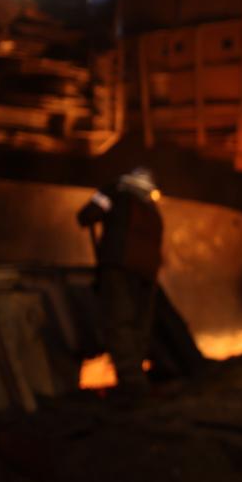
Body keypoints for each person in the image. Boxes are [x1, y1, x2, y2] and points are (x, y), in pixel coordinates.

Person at [77, 167, 163, 399]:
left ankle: (132, 385)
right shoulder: (152, 208)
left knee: (119, 323)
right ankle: (137, 379)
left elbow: (86, 216)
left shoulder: (116, 194)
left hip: (119, 267)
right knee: (137, 327)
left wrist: (102, 193)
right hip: (147, 274)